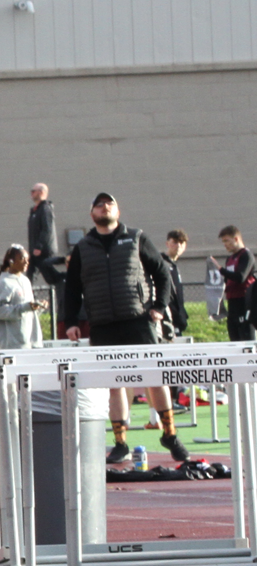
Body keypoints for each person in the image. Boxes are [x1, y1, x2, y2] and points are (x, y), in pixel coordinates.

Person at [61, 191, 188, 463]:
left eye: (110, 204)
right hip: (103, 324)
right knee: (114, 384)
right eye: (99, 205)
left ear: (118, 211)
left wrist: (158, 306)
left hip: (138, 319)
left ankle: (170, 434)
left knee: (155, 377)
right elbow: (71, 289)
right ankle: (120, 442)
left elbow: (162, 273)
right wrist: (70, 322)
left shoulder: (136, 238)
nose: (105, 207)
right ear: (92, 213)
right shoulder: (83, 248)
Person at [0, 245, 45, 350]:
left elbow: (27, 311)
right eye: (22, 258)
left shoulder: (25, 281)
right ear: (11, 261)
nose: (26, 262)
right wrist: (25, 307)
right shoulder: (5, 283)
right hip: (14, 346)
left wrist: (37, 306)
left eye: (27, 259)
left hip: (32, 342)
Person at [210, 226, 255, 341]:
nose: (225, 244)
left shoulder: (246, 255)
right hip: (232, 302)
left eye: (227, 241)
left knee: (246, 338)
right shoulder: (229, 259)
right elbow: (228, 279)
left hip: (244, 301)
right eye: (223, 241)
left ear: (236, 239)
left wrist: (220, 269)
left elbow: (240, 277)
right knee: (234, 337)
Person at [162, 230, 191, 339]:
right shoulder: (162, 263)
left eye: (181, 243)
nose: (178, 245)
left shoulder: (173, 265)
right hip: (167, 317)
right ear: (167, 244)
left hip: (177, 317)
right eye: (174, 242)